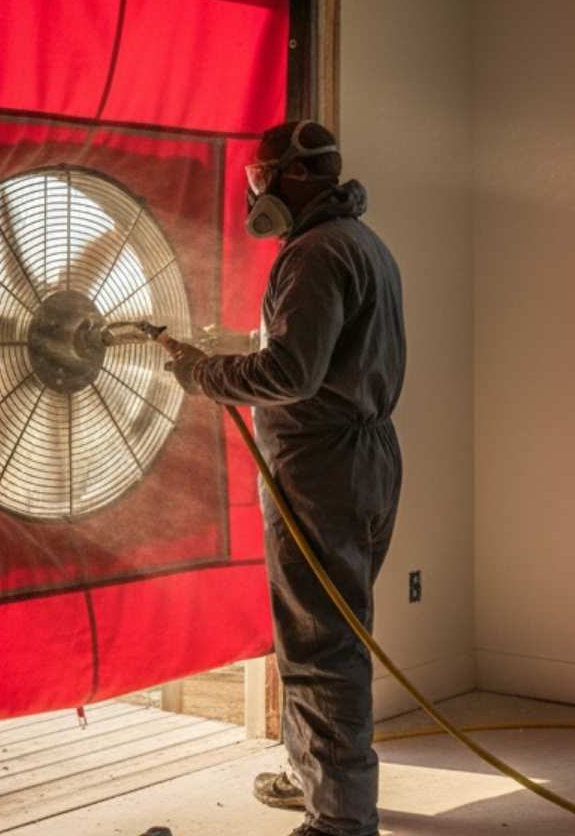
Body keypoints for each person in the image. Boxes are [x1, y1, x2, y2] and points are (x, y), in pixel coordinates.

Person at [165, 121, 406, 836]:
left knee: (321, 639)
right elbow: (319, 355)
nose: (255, 195)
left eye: (259, 180)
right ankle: (315, 776)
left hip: (322, 469)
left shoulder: (313, 255)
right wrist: (235, 346)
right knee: (329, 627)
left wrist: (204, 374)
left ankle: (339, 816)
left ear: (293, 178)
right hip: (364, 458)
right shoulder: (363, 243)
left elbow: (293, 374)